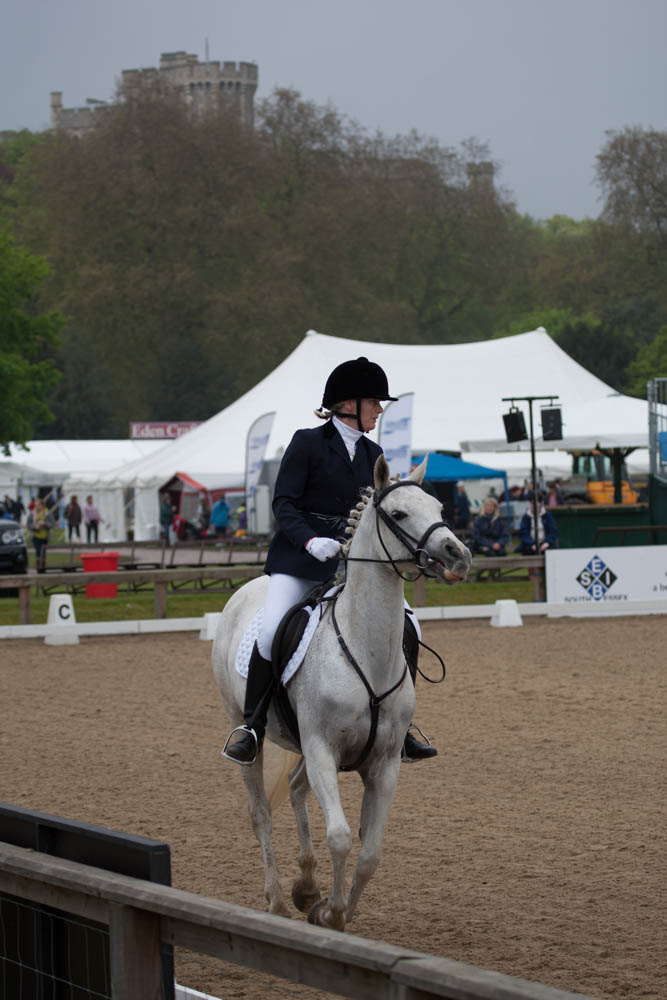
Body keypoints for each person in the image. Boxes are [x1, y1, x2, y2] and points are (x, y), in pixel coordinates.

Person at [225, 356, 436, 766]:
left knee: (409, 622)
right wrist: (309, 541)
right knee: (269, 631)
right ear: (349, 404)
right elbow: (283, 503)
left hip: (350, 568)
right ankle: (252, 727)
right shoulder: (307, 443)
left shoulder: (374, 453)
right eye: (374, 403)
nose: (379, 411)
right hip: (300, 562)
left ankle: (401, 724)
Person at [27, 499, 53, 572]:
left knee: (43, 552)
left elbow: (52, 524)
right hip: (36, 536)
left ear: (42, 505)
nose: (36, 507)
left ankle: (43, 568)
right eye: (35, 505)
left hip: (45, 536)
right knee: (38, 551)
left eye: (37, 505)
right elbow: (28, 525)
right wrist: (35, 526)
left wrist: (45, 523)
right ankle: (39, 568)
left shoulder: (47, 513)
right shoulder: (32, 514)